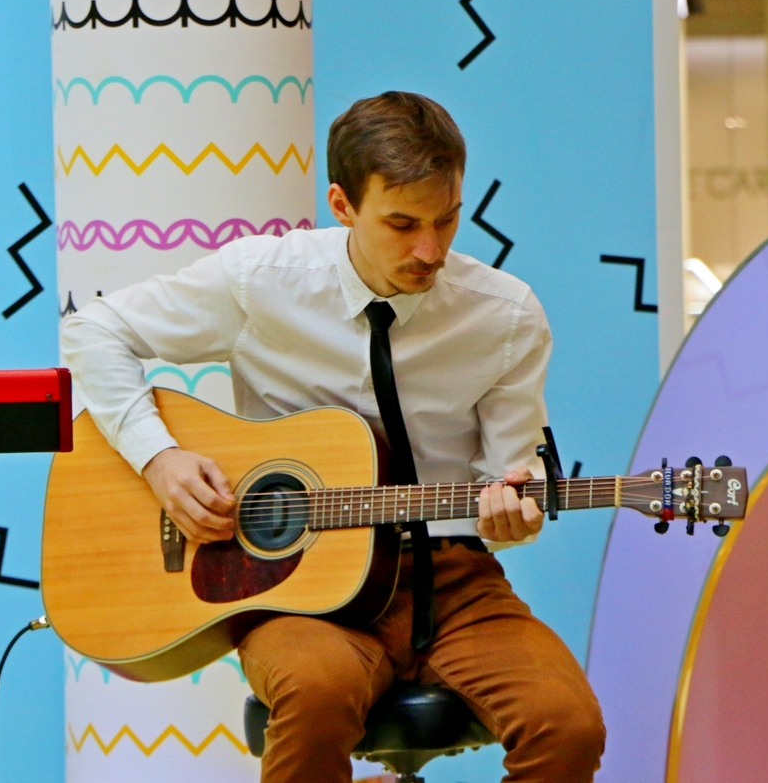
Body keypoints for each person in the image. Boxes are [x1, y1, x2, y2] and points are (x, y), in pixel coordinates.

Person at [61, 91, 605, 781]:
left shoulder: (505, 317)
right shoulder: (262, 280)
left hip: (449, 580)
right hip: (299, 587)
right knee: (316, 692)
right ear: (342, 205)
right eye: (401, 223)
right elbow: (94, 329)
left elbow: (509, 483)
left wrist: (513, 519)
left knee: (568, 725)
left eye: (446, 219)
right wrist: (158, 457)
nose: (430, 250)